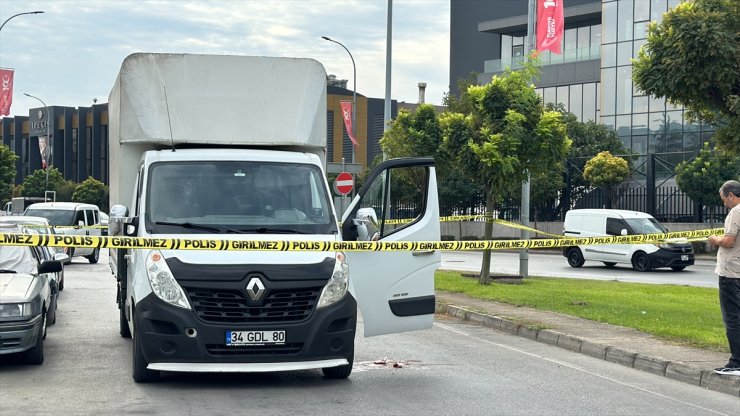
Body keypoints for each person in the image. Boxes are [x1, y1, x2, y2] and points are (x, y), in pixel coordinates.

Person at [707, 180, 740, 376]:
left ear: (730, 195)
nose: (724, 204)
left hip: (731, 272)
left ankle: (736, 362)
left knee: (733, 318)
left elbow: (728, 241)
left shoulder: (735, 212)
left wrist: (714, 240)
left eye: (724, 199)